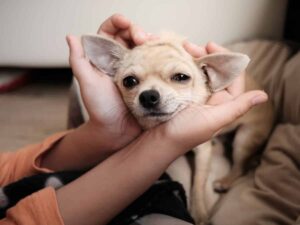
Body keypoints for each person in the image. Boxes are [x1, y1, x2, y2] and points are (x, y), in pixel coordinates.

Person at [0, 14, 267, 225]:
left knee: (239, 148)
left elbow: (8, 171)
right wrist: (120, 130)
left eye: (179, 77)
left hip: (248, 123)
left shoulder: (208, 79)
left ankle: (236, 172)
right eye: (131, 81)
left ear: (212, 77)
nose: (149, 94)